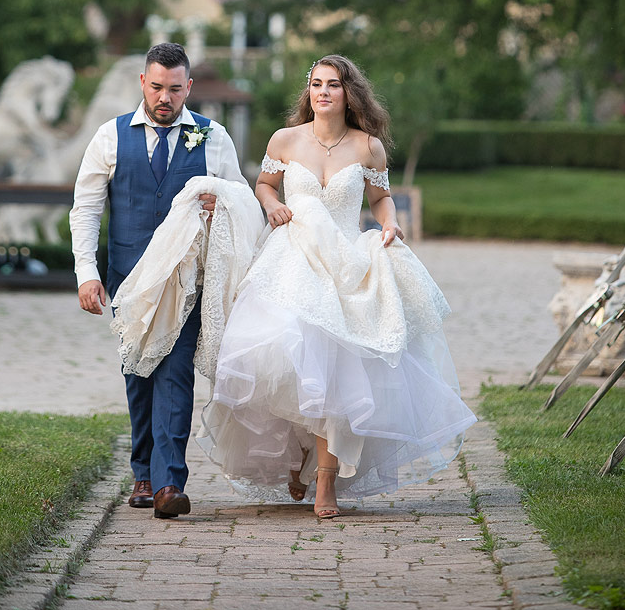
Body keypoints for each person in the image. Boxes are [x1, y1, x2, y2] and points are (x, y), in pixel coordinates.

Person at [197, 54, 477, 519]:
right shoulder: (285, 139)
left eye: (332, 84)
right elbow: (264, 185)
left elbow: (381, 198)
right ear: (308, 92)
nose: (323, 92)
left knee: (339, 375)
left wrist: (390, 224)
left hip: (347, 262)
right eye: (316, 84)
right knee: (286, 361)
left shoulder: (368, 147)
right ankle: (296, 457)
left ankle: (325, 481)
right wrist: (272, 205)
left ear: (349, 94)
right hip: (292, 259)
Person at [69, 42, 247, 519]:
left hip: (186, 279)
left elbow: (243, 200)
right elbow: (85, 209)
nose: (164, 98)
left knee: (175, 371)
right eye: (156, 87)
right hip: (128, 279)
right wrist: (87, 273)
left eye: (174, 89)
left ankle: (170, 483)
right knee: (138, 373)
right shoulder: (110, 137)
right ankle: (143, 473)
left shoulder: (213, 137)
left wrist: (223, 206)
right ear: (142, 84)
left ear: (189, 87)